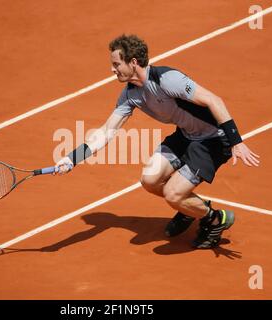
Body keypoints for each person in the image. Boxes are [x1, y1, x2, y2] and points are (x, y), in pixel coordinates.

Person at [55, 34, 260, 249]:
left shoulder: (167, 79)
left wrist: (236, 141)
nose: (112, 69)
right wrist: (72, 159)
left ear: (133, 62)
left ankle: (216, 219)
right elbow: (106, 131)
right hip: (186, 134)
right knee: (150, 180)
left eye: (116, 64)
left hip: (213, 140)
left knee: (173, 193)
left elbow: (213, 100)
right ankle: (187, 208)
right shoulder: (129, 95)